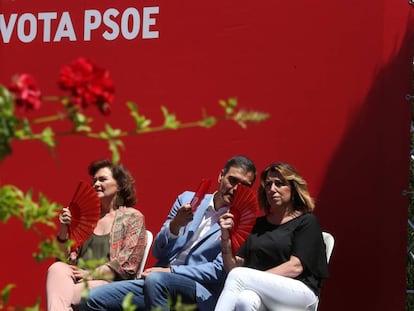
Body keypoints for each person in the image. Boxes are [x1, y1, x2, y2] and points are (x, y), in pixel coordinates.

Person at [79, 155, 257, 311]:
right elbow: (158, 251)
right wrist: (175, 225)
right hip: (156, 280)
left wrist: (171, 271)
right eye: (232, 180)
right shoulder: (187, 199)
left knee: (157, 280)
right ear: (221, 175)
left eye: (244, 186)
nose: (235, 189)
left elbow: (218, 271)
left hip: (200, 291)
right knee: (92, 299)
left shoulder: (241, 222)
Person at [215, 162, 329, 311]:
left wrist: (252, 278)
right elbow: (233, 269)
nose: (272, 189)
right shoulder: (257, 226)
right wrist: (225, 237)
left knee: (240, 277)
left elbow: (295, 267)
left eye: (279, 184)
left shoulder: (306, 222)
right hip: (263, 290)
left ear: (293, 189)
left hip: (300, 292)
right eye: (268, 185)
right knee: (245, 300)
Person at [46, 159, 147, 311]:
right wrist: (63, 229)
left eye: (102, 179)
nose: (96, 184)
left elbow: (127, 265)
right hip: (77, 277)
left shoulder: (132, 217)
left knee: (65, 295)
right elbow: (62, 258)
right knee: (56, 268)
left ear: (119, 185)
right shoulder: (85, 218)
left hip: (107, 282)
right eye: (94, 181)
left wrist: (90, 274)